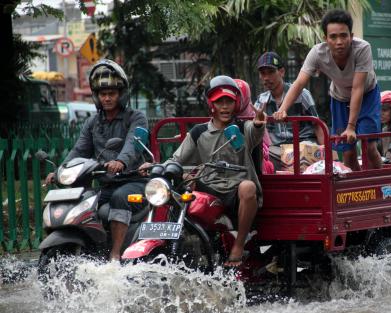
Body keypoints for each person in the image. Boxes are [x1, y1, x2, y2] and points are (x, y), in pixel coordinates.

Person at [150, 75, 266, 267]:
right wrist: (156, 167)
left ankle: (238, 245)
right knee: (184, 178)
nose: (225, 107)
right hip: (209, 187)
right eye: (220, 102)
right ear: (211, 105)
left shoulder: (242, 128)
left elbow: (256, 131)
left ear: (236, 104)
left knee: (248, 187)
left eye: (229, 101)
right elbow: (176, 159)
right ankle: (183, 239)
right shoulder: (198, 132)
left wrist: (259, 122)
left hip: (236, 190)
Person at [45, 59, 148, 261]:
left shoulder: (136, 117)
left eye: (112, 94)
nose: (107, 98)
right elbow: (79, 150)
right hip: (107, 184)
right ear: (97, 97)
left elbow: (133, 145)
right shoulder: (93, 122)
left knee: (120, 198)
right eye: (103, 94)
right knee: (82, 204)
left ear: (121, 95)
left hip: (135, 182)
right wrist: (59, 170)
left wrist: (121, 162)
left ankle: (115, 254)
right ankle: (88, 252)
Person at [273, 9, 382, 170]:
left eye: (344, 36)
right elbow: (299, 83)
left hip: (366, 95)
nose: (339, 42)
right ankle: (356, 189)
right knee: (348, 152)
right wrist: (282, 109)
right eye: (333, 37)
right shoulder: (317, 53)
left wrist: (351, 127)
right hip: (339, 98)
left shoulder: (362, 48)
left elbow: (357, 88)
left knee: (369, 147)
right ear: (325, 39)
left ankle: (378, 186)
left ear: (351, 36)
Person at [254, 51, 323, 169]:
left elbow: (317, 125)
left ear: (282, 72)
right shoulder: (261, 100)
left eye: (271, 72)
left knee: (300, 157)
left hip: (303, 146)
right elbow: (256, 131)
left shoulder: (302, 94)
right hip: (277, 150)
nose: (266, 77)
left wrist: (329, 155)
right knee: (257, 157)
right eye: (263, 73)